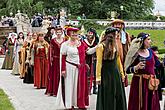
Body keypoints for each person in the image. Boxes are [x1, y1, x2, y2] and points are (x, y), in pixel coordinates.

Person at [56, 27, 97, 109]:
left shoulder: (81, 43)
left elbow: (88, 51)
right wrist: (63, 69)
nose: (75, 34)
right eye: (73, 32)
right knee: (70, 86)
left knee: (79, 86)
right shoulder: (65, 45)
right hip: (69, 68)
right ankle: (69, 104)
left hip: (80, 69)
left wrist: (97, 47)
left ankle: (79, 103)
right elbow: (63, 58)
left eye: (76, 32)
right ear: (69, 34)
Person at [125, 33, 160, 110]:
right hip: (139, 84)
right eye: (148, 39)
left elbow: (158, 65)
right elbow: (127, 70)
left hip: (151, 83)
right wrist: (136, 67)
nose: (150, 41)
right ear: (142, 41)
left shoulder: (151, 52)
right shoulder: (135, 54)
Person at [96, 27, 127, 110]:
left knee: (118, 93)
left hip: (115, 73)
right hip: (106, 74)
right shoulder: (101, 46)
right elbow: (99, 63)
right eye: (116, 35)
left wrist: (122, 73)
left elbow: (118, 61)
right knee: (108, 94)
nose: (117, 36)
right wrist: (98, 77)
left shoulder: (115, 45)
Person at [45, 26, 65, 96]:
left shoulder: (65, 40)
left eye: (60, 32)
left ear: (62, 33)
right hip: (55, 60)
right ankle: (54, 91)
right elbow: (50, 51)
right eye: (57, 32)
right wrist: (50, 59)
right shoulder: (53, 41)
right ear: (56, 33)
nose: (59, 33)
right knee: (55, 75)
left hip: (63, 60)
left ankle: (62, 91)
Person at [111, 19, 131, 87]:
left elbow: (129, 45)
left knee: (122, 69)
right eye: (115, 24)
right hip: (113, 55)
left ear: (122, 26)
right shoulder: (109, 34)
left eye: (119, 24)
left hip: (123, 54)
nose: (117, 26)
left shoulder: (125, 34)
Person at [84, 28, 99, 94]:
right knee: (88, 73)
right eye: (88, 33)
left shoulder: (96, 41)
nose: (90, 34)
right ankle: (88, 89)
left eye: (91, 33)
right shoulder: (84, 41)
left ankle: (95, 88)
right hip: (87, 59)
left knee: (95, 74)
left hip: (95, 59)